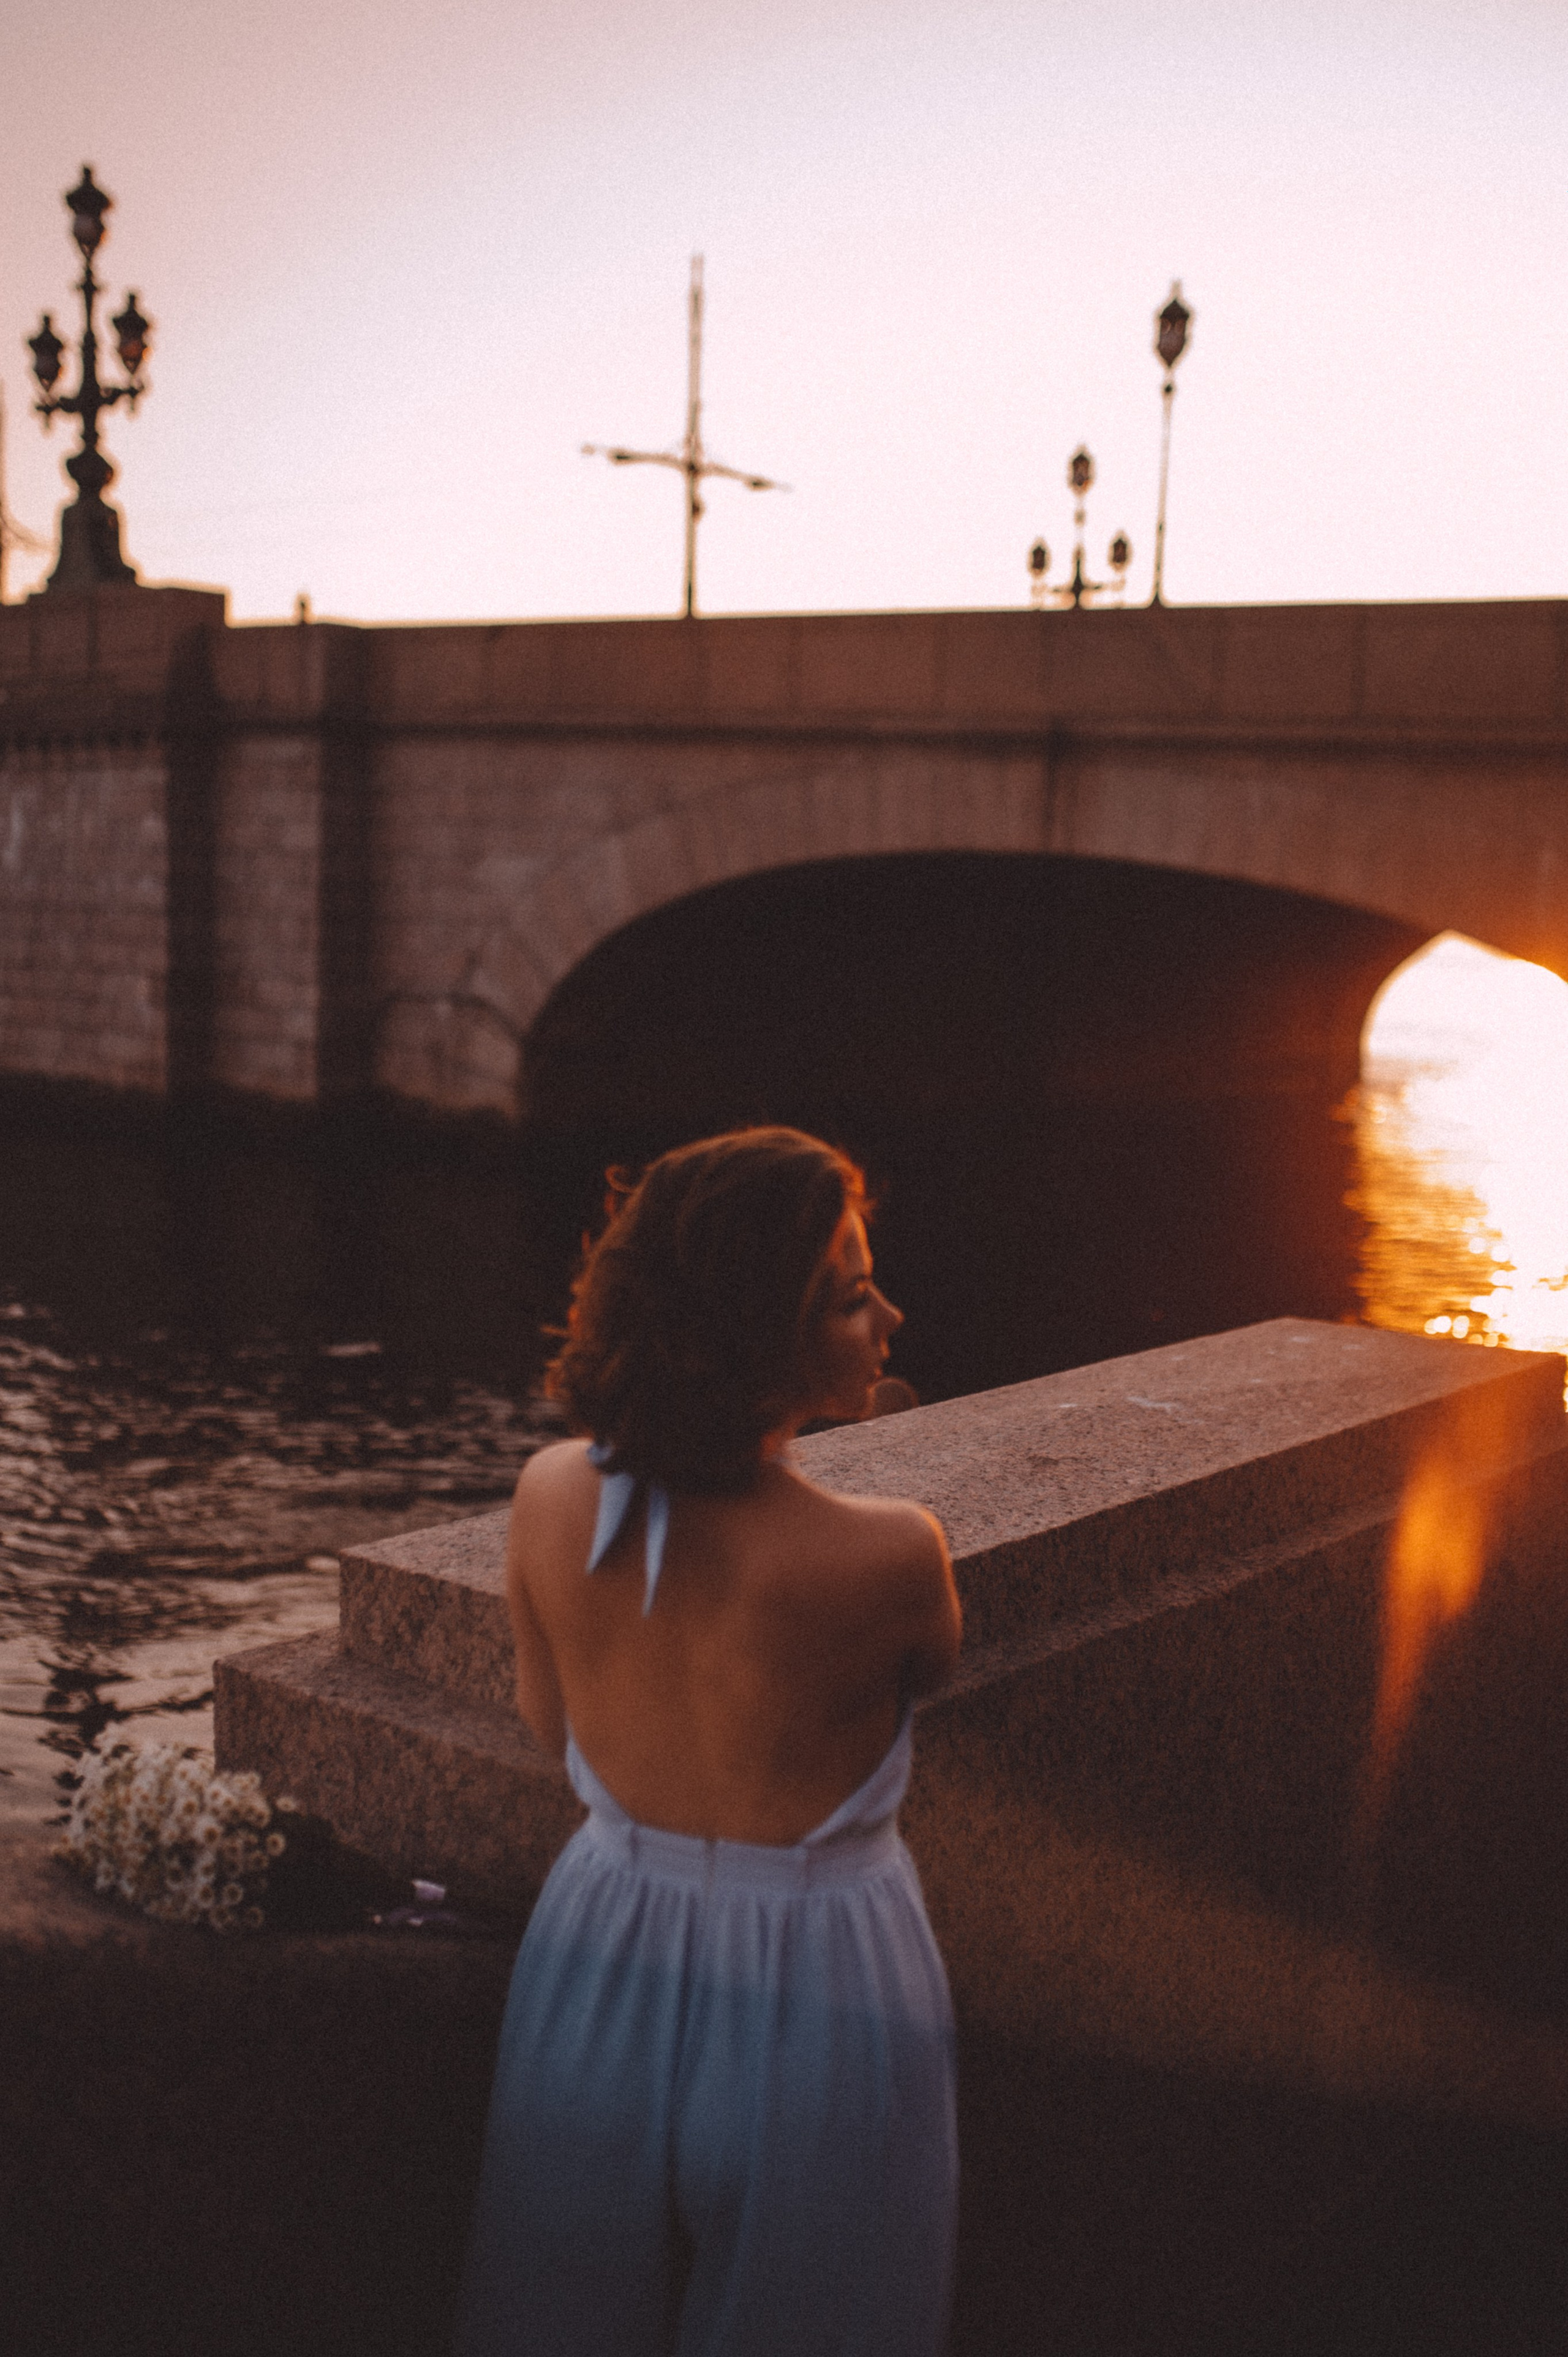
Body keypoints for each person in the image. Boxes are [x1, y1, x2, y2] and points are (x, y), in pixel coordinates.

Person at [454, 1127, 962, 2357]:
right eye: (851, 1297)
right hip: (823, 1981)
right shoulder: (893, 1553)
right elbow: (928, 1672)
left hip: (600, 1948)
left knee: (559, 2317)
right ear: (757, 1340)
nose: (890, 1316)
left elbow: (551, 1726)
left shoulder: (546, 1496)